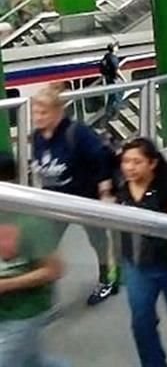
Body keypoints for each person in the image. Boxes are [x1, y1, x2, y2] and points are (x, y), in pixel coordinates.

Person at [29, 84, 117, 306]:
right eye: (35, 112)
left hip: (85, 198)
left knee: (98, 241)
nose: (37, 117)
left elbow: (101, 159)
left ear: (58, 112)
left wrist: (105, 191)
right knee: (44, 242)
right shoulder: (38, 138)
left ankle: (108, 279)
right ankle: (41, 285)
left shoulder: (77, 133)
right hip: (56, 202)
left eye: (43, 112)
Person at [115, 138, 167, 367]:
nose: (129, 167)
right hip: (137, 265)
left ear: (152, 163)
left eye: (136, 162)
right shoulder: (123, 188)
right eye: (126, 161)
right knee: (141, 321)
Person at [0, 152, 68, 367]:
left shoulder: (30, 220)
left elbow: (53, 270)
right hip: (3, 310)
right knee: (32, 362)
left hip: (25, 310)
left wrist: (5, 285)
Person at [100, 40, 123, 118]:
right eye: (116, 46)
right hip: (114, 79)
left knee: (111, 96)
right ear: (113, 48)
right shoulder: (113, 58)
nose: (118, 47)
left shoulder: (106, 56)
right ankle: (115, 113)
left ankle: (108, 112)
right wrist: (124, 79)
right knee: (117, 96)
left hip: (108, 78)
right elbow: (117, 70)